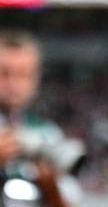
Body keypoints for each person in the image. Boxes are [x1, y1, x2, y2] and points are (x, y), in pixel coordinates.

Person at [0, 32, 81, 207]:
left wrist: (50, 186)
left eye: (22, 74)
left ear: (35, 78)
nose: (13, 83)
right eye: (4, 73)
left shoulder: (47, 134)